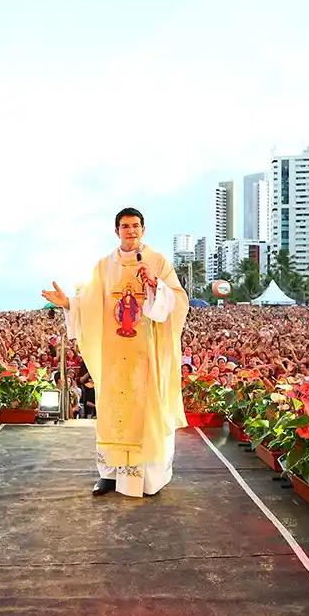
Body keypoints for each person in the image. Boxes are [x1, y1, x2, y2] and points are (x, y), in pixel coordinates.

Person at [41, 207, 189, 497]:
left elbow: (178, 301)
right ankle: (108, 475)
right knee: (112, 413)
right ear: (117, 231)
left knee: (145, 414)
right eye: (125, 226)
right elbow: (90, 303)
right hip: (114, 356)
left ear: (143, 229)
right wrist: (68, 303)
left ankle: (145, 478)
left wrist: (155, 286)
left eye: (135, 226)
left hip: (146, 354)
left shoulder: (158, 262)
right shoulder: (104, 267)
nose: (131, 231)